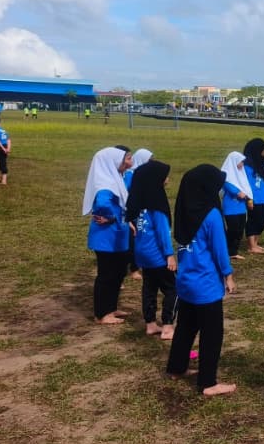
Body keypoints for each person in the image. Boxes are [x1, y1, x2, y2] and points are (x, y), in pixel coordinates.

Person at [166, 164, 237, 396]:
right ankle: (208, 382)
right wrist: (228, 275)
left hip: (186, 282)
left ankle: (176, 368)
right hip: (206, 285)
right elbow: (219, 249)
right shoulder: (212, 215)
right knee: (212, 333)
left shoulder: (185, 209)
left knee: (185, 327)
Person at [126, 160, 178, 339]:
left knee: (149, 288)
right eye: (164, 176)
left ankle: (150, 324)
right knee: (172, 288)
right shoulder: (158, 204)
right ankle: (168, 326)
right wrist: (169, 255)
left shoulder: (139, 201)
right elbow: (163, 233)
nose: (167, 179)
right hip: (157, 254)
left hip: (143, 254)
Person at [83, 146, 133, 325]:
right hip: (106, 238)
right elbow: (103, 203)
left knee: (118, 272)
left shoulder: (115, 179)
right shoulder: (105, 184)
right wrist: (111, 218)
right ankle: (102, 313)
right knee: (107, 274)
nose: (127, 163)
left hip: (117, 236)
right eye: (125, 159)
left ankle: (111, 307)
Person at [220, 150, 251, 260]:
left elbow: (246, 187)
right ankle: (228, 250)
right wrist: (238, 193)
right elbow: (229, 187)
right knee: (233, 229)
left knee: (240, 229)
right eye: (241, 162)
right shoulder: (226, 175)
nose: (242, 165)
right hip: (231, 207)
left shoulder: (241, 174)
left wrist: (249, 198)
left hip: (241, 208)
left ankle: (234, 251)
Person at [243, 138, 264, 254]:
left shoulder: (261, 162)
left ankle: (255, 242)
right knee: (254, 220)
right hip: (253, 198)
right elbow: (246, 183)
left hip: (263, 197)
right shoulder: (247, 165)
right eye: (263, 150)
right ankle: (251, 245)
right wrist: (249, 198)